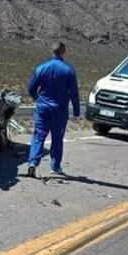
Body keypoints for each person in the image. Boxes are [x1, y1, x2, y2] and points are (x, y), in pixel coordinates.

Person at [26, 41, 80, 177]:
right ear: (63, 52)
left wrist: (38, 99)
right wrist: (77, 112)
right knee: (57, 138)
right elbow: (74, 93)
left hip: (43, 108)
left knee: (38, 135)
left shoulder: (41, 68)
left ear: (52, 52)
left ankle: (33, 162)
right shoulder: (68, 70)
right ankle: (55, 166)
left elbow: (31, 87)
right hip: (60, 110)